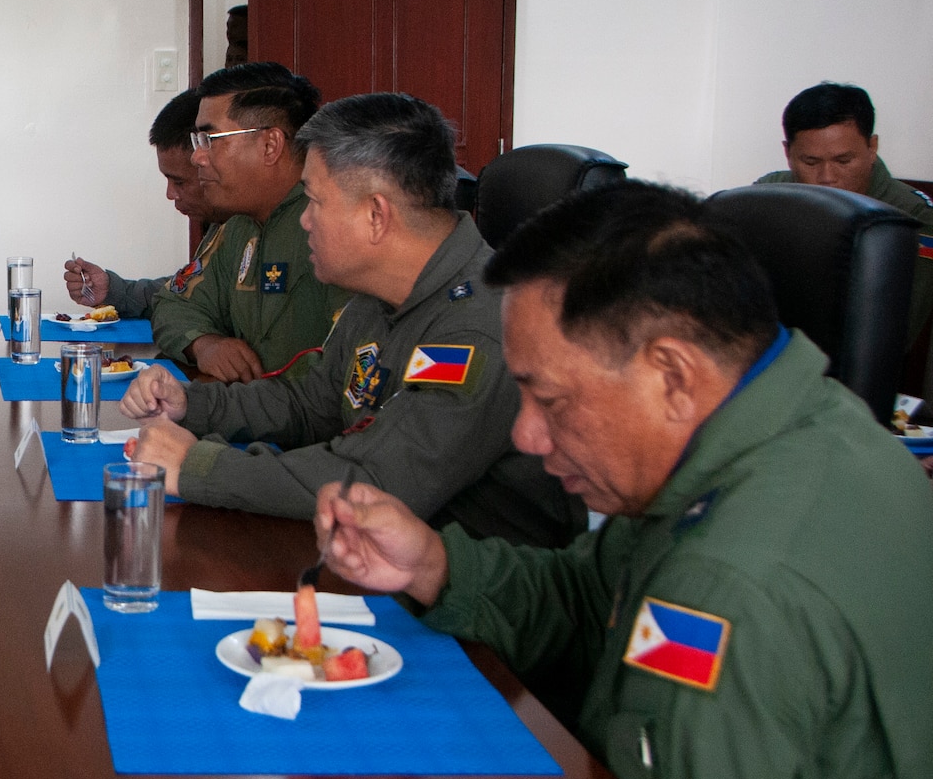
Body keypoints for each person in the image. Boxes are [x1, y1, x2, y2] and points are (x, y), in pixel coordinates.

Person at [314, 180, 933, 779]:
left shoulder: (728, 587)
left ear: (671, 375)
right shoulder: (793, 427)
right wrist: (436, 564)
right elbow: (591, 597)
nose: (529, 435)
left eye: (548, 397)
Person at [122, 92, 583, 549]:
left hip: (462, 602)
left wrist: (199, 467)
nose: (303, 221)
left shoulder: (477, 329)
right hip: (372, 560)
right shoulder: (379, 295)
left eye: (314, 202)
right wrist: (191, 404)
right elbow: (309, 403)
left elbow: (377, 479)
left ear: (375, 215)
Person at [147, 61, 349, 383]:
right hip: (249, 417)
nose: (198, 157)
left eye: (209, 139)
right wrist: (205, 345)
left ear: (270, 145)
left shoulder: (335, 228)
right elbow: (173, 303)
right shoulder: (238, 224)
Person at [755, 81, 933, 347]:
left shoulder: (911, 216)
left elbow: (896, 331)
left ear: (872, 148)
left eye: (843, 161)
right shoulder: (768, 196)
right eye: (810, 162)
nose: (827, 177)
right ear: (788, 153)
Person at [61, 88, 221, 320]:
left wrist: (200, 342)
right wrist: (114, 290)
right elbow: (185, 292)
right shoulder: (220, 228)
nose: (170, 194)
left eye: (179, 181)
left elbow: (188, 308)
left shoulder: (243, 225)